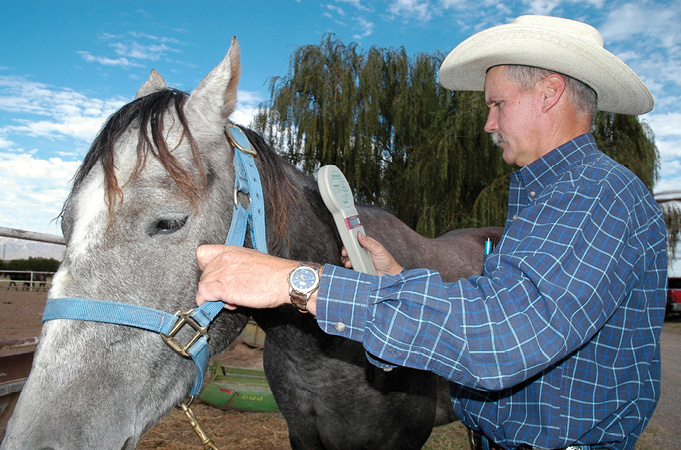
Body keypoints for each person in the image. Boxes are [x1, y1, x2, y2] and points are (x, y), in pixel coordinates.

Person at [195, 15, 667, 450]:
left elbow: (502, 340)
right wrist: (395, 276)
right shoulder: (550, 199)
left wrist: (296, 281)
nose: (489, 123)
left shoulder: (594, 195)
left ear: (550, 92)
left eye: (498, 104)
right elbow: (502, 301)